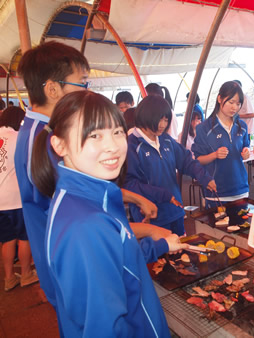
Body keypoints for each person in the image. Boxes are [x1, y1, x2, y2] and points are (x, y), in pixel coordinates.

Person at [15, 41, 160, 308]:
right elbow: (88, 210)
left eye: (117, 133)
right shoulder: (50, 141)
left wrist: (136, 200)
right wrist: (149, 230)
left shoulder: (38, 131)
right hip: (80, 269)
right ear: (52, 89)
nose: (88, 91)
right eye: (83, 83)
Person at [31, 90, 186, 336]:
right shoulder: (86, 224)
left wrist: (162, 246)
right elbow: (102, 328)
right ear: (60, 145)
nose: (112, 147)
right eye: (94, 135)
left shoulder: (80, 197)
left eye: (116, 132)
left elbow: (120, 258)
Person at [125, 94, 216, 235]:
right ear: (145, 117)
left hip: (175, 210)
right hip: (151, 217)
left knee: (181, 252)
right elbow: (130, 185)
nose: (163, 125)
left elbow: (186, 161)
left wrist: (204, 177)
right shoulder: (131, 145)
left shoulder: (166, 140)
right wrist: (163, 195)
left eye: (166, 120)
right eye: (158, 120)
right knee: (160, 254)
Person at [192, 81, 250, 209]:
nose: (234, 107)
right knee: (217, 228)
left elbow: (246, 149)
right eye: (231, 102)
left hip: (241, 189)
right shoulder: (204, 128)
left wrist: (246, 153)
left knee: (242, 227)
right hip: (217, 192)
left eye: (238, 103)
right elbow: (198, 160)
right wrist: (214, 155)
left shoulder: (242, 127)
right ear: (219, 98)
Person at [0, 106, 39, 291]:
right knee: (24, 238)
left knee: (7, 240)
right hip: (16, 198)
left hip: (0, 202)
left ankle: (8, 278)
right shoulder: (18, 138)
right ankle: (25, 274)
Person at [234, 80, 254, 177]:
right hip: (244, 128)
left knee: (252, 149)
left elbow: (252, 114)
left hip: (250, 129)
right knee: (247, 150)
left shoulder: (245, 98)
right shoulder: (237, 99)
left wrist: (237, 115)